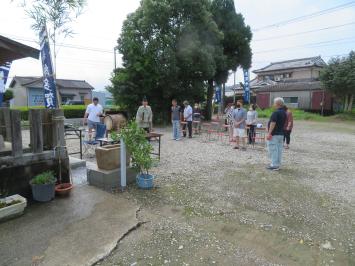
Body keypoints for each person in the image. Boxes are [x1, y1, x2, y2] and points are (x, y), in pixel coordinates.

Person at [266, 97, 287, 171]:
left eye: (274, 103)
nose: (273, 104)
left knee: (273, 149)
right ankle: (277, 164)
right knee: (279, 149)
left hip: (274, 134)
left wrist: (269, 133)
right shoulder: (284, 112)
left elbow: (273, 123)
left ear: (277, 104)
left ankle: (274, 165)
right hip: (281, 134)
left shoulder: (276, 112)